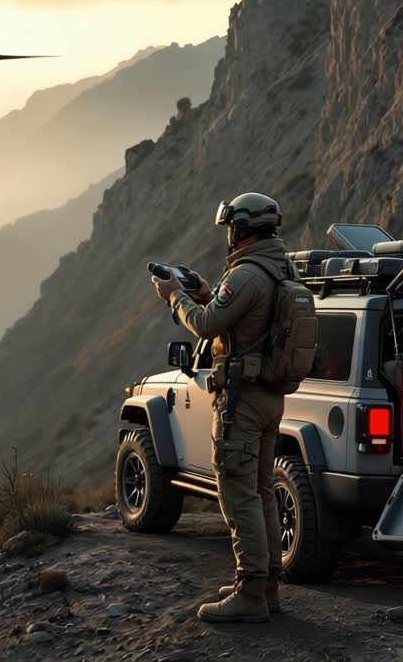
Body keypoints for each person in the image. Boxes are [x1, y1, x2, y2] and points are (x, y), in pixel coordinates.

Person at [151, 192, 293, 624]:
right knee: (262, 491)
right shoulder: (276, 268)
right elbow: (239, 321)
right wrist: (208, 292)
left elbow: (208, 324)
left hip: (243, 401)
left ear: (242, 229)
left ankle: (249, 593)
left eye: (231, 227)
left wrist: (175, 296)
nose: (228, 235)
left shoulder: (247, 274)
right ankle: (265, 588)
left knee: (237, 492)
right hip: (270, 396)